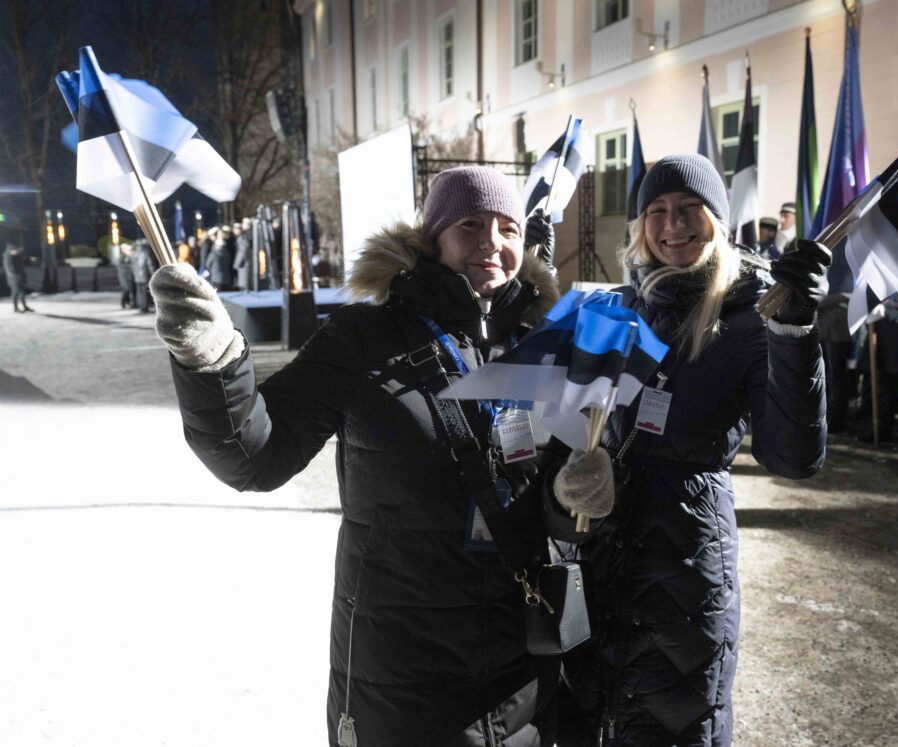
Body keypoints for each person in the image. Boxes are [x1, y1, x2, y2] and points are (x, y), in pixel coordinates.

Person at [149, 166, 576, 745]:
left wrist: (577, 497)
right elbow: (256, 457)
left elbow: (562, 504)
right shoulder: (363, 337)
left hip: (520, 669)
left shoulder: (546, 347)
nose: (491, 242)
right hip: (399, 671)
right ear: (433, 238)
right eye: (471, 224)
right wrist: (215, 361)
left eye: (508, 228)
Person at [551, 154, 828, 746]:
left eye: (688, 208)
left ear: (717, 220)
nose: (672, 224)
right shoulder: (614, 309)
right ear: (640, 226)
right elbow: (558, 424)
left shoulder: (751, 318)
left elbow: (793, 457)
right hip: (599, 558)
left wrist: (796, 333)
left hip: (684, 571)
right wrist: (570, 476)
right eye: (656, 211)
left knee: (669, 724)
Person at [3, 243, 33, 313]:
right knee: (15, 292)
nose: (16, 251)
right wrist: (16, 276)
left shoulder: (17, 257)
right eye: (14, 250)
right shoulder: (8, 259)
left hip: (20, 277)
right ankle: (15, 308)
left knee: (22, 292)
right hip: (14, 279)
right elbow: (10, 270)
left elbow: (21, 266)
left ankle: (24, 306)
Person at [130, 238, 157, 314]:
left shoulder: (135, 253)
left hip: (137, 276)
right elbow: (150, 264)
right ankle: (145, 307)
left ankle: (141, 307)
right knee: (145, 292)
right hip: (144, 275)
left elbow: (132, 266)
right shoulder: (146, 252)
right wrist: (153, 272)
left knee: (139, 292)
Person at [204, 227, 234, 291]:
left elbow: (207, 265)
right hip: (226, 279)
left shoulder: (213, 254)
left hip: (216, 278)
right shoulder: (227, 254)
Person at [116, 242, 136, 309]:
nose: (129, 251)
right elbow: (121, 267)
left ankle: (129, 302)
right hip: (124, 276)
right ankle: (123, 303)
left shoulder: (128, 256)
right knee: (126, 289)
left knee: (130, 289)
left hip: (129, 276)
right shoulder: (122, 257)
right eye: (127, 249)